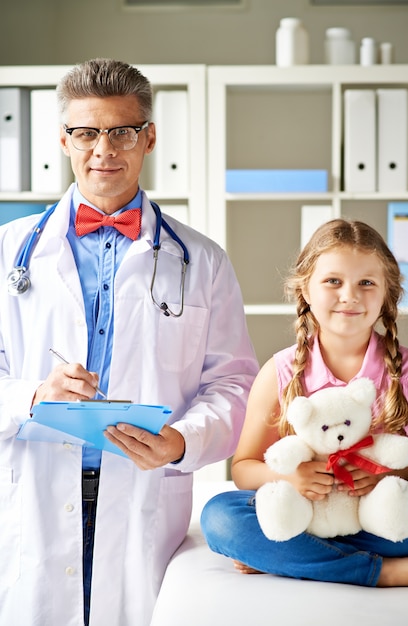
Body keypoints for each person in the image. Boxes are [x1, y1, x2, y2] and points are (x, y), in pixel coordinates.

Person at [0, 58, 259, 626]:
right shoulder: (9, 251)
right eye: (86, 132)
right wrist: (33, 396)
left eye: (120, 131)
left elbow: (235, 384)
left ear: (149, 138)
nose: (103, 150)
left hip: (145, 496)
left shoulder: (203, 261)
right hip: (35, 488)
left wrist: (181, 442)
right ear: (64, 141)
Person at [201, 218, 408, 587]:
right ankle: (384, 572)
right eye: (333, 281)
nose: (349, 295)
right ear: (305, 290)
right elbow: (244, 469)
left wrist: (386, 473)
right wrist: (291, 476)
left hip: (376, 517)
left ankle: (292, 557)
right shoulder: (280, 373)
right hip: (304, 512)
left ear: (388, 294)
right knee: (220, 517)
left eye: (367, 283)